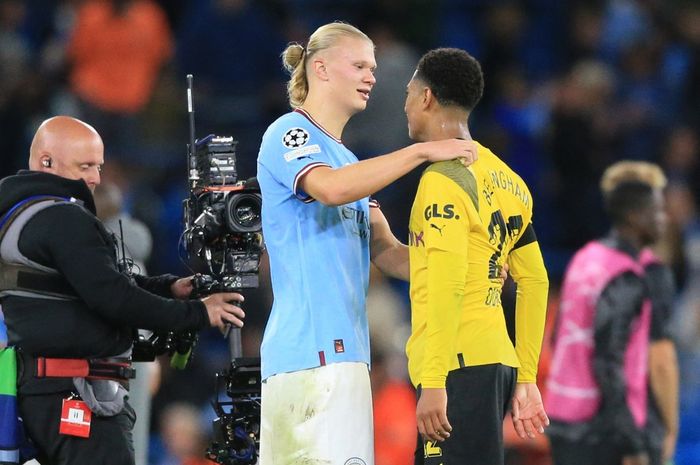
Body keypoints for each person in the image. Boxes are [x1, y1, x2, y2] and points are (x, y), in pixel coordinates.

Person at [256, 22, 477, 465]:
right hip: (306, 356)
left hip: (350, 357)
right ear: (320, 69)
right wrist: (421, 152)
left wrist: (470, 265)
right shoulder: (288, 133)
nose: (372, 77)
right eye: (359, 65)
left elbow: (389, 253)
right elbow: (331, 189)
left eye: (373, 67)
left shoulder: (348, 160)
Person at [0, 116, 246, 465]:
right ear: (46, 162)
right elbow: (114, 298)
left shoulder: (18, 214)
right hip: (74, 394)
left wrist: (168, 288)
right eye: (85, 166)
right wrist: (199, 312)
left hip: (43, 391)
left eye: (98, 166)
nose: (96, 179)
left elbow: (87, 284)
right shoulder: (63, 218)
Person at [402, 48, 550, 465]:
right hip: (495, 359)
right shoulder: (510, 179)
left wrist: (433, 381)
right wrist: (526, 376)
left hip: (456, 366)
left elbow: (448, 281)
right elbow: (535, 280)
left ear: (427, 98)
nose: (406, 104)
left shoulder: (442, 179)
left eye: (409, 93)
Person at [545, 162, 668, 465]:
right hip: (600, 432)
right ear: (634, 217)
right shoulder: (625, 277)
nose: (663, 221)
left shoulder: (584, 259)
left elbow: (557, 336)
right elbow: (608, 364)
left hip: (562, 418)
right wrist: (633, 443)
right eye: (656, 212)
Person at [599, 161, 679, 465]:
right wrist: (670, 429)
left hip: (586, 425)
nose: (664, 217)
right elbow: (661, 360)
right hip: (638, 424)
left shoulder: (586, 265)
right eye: (657, 206)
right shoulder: (650, 274)